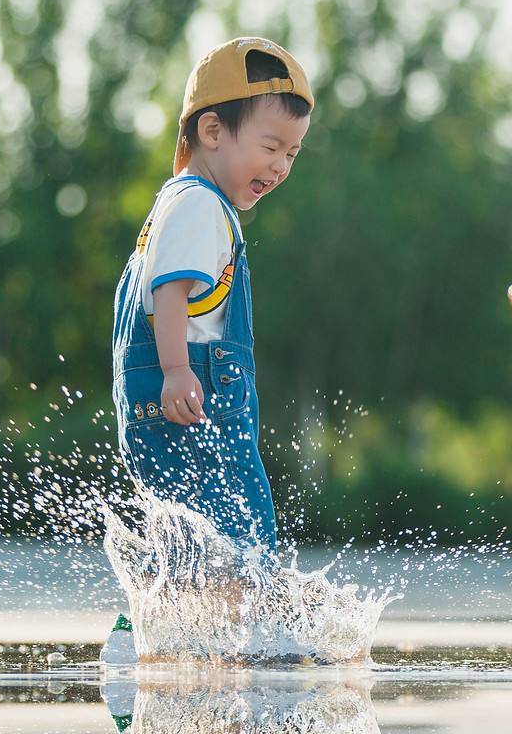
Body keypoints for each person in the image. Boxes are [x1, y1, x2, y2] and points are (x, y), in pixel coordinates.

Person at [101, 37, 313, 664]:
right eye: (270, 146)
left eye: (292, 154)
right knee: (240, 530)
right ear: (213, 130)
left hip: (170, 403)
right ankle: (268, 641)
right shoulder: (199, 204)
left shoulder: (181, 204)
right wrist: (174, 369)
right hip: (193, 402)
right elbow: (170, 291)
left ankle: (142, 636)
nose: (279, 166)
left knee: (189, 539)